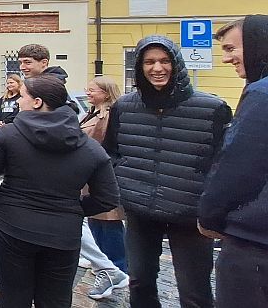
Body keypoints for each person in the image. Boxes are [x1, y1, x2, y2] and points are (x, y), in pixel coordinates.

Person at [106, 35, 232, 308]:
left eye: (164, 61)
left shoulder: (212, 109)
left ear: (176, 64)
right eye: (149, 62)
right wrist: (124, 185)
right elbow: (112, 153)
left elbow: (223, 164)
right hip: (140, 210)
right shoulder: (123, 107)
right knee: (139, 282)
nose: (157, 68)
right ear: (139, 66)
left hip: (190, 215)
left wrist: (210, 205)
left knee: (194, 291)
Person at [0, 75, 119, 307]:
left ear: (37, 102)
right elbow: (108, 197)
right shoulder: (90, 148)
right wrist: (74, 209)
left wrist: (4, 200)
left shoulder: (9, 135)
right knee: (55, 299)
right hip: (62, 232)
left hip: (13, 226)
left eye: (22, 96)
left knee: (13, 297)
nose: (18, 101)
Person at [199, 16, 268, 308]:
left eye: (230, 49)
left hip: (253, 244)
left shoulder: (261, 94)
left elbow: (237, 169)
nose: (226, 59)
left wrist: (209, 217)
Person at [80, 76, 129, 300]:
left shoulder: (109, 115)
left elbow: (107, 146)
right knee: (95, 220)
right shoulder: (93, 112)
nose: (87, 93)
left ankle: (117, 268)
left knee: (109, 223)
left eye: (92, 90)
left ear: (106, 93)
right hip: (90, 175)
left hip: (104, 176)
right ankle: (102, 264)